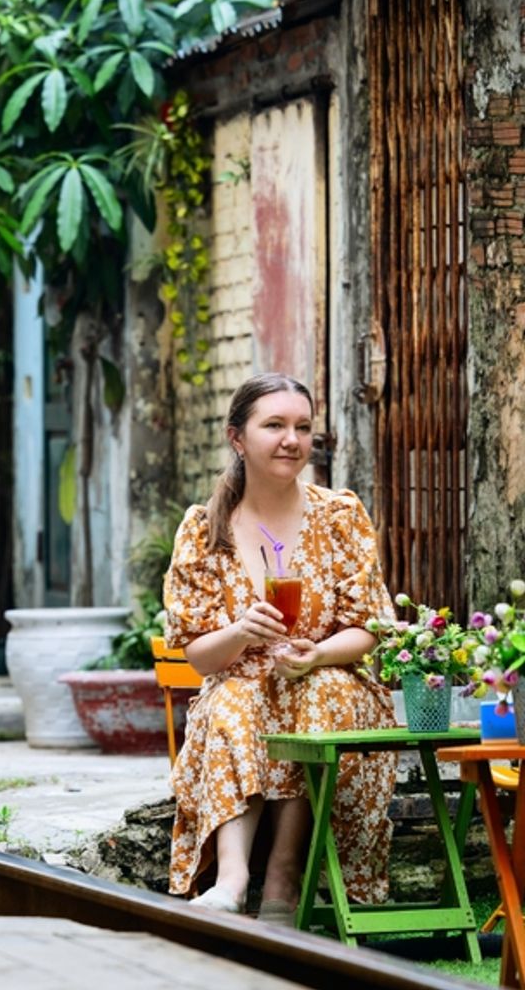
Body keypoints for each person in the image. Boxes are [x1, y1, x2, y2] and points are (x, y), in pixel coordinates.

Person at [165, 371, 397, 922]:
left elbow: (368, 627)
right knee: (232, 699)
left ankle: (283, 877)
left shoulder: (339, 516)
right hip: (243, 686)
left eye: (302, 427)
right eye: (274, 425)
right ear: (237, 438)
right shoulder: (205, 530)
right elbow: (198, 655)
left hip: (332, 682)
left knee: (317, 692)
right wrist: (243, 631)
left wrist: (316, 654)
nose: (292, 439)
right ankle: (232, 879)